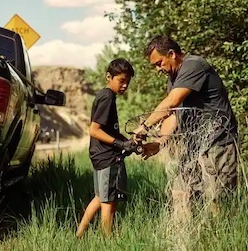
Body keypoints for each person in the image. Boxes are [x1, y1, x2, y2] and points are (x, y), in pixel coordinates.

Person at [133, 35, 239, 207]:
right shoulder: (174, 78)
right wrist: (160, 143)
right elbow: (174, 114)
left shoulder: (194, 65)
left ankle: (222, 233)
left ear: (172, 54)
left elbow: (171, 102)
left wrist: (144, 126)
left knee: (217, 200)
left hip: (217, 142)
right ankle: (182, 234)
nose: (158, 69)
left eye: (159, 63)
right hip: (194, 146)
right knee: (182, 195)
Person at [76, 58, 139, 237]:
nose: (125, 85)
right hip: (107, 157)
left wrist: (129, 142)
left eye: (127, 81)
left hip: (100, 155)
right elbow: (94, 130)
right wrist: (120, 144)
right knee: (109, 201)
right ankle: (106, 240)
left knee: (99, 197)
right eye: (121, 80)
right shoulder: (108, 96)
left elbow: (107, 129)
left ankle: (79, 235)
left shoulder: (105, 95)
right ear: (108, 77)